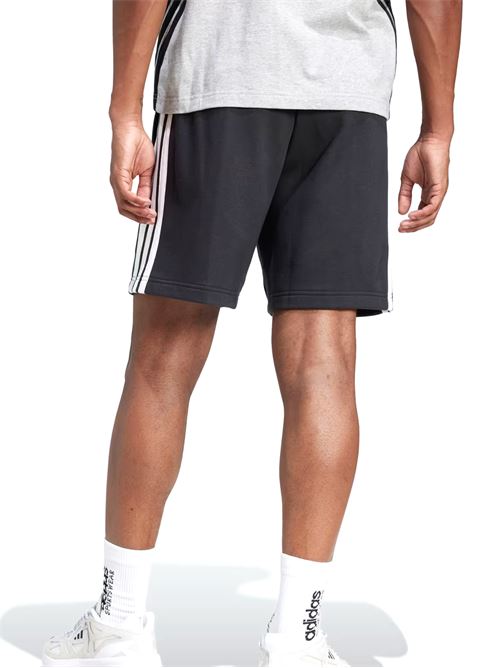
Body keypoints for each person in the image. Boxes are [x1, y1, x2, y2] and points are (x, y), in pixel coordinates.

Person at [42, 1, 462, 666]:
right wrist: (438, 128)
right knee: (324, 363)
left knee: (164, 356)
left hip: (221, 72)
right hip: (347, 92)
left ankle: (118, 627)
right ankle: (299, 637)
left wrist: (124, 110)